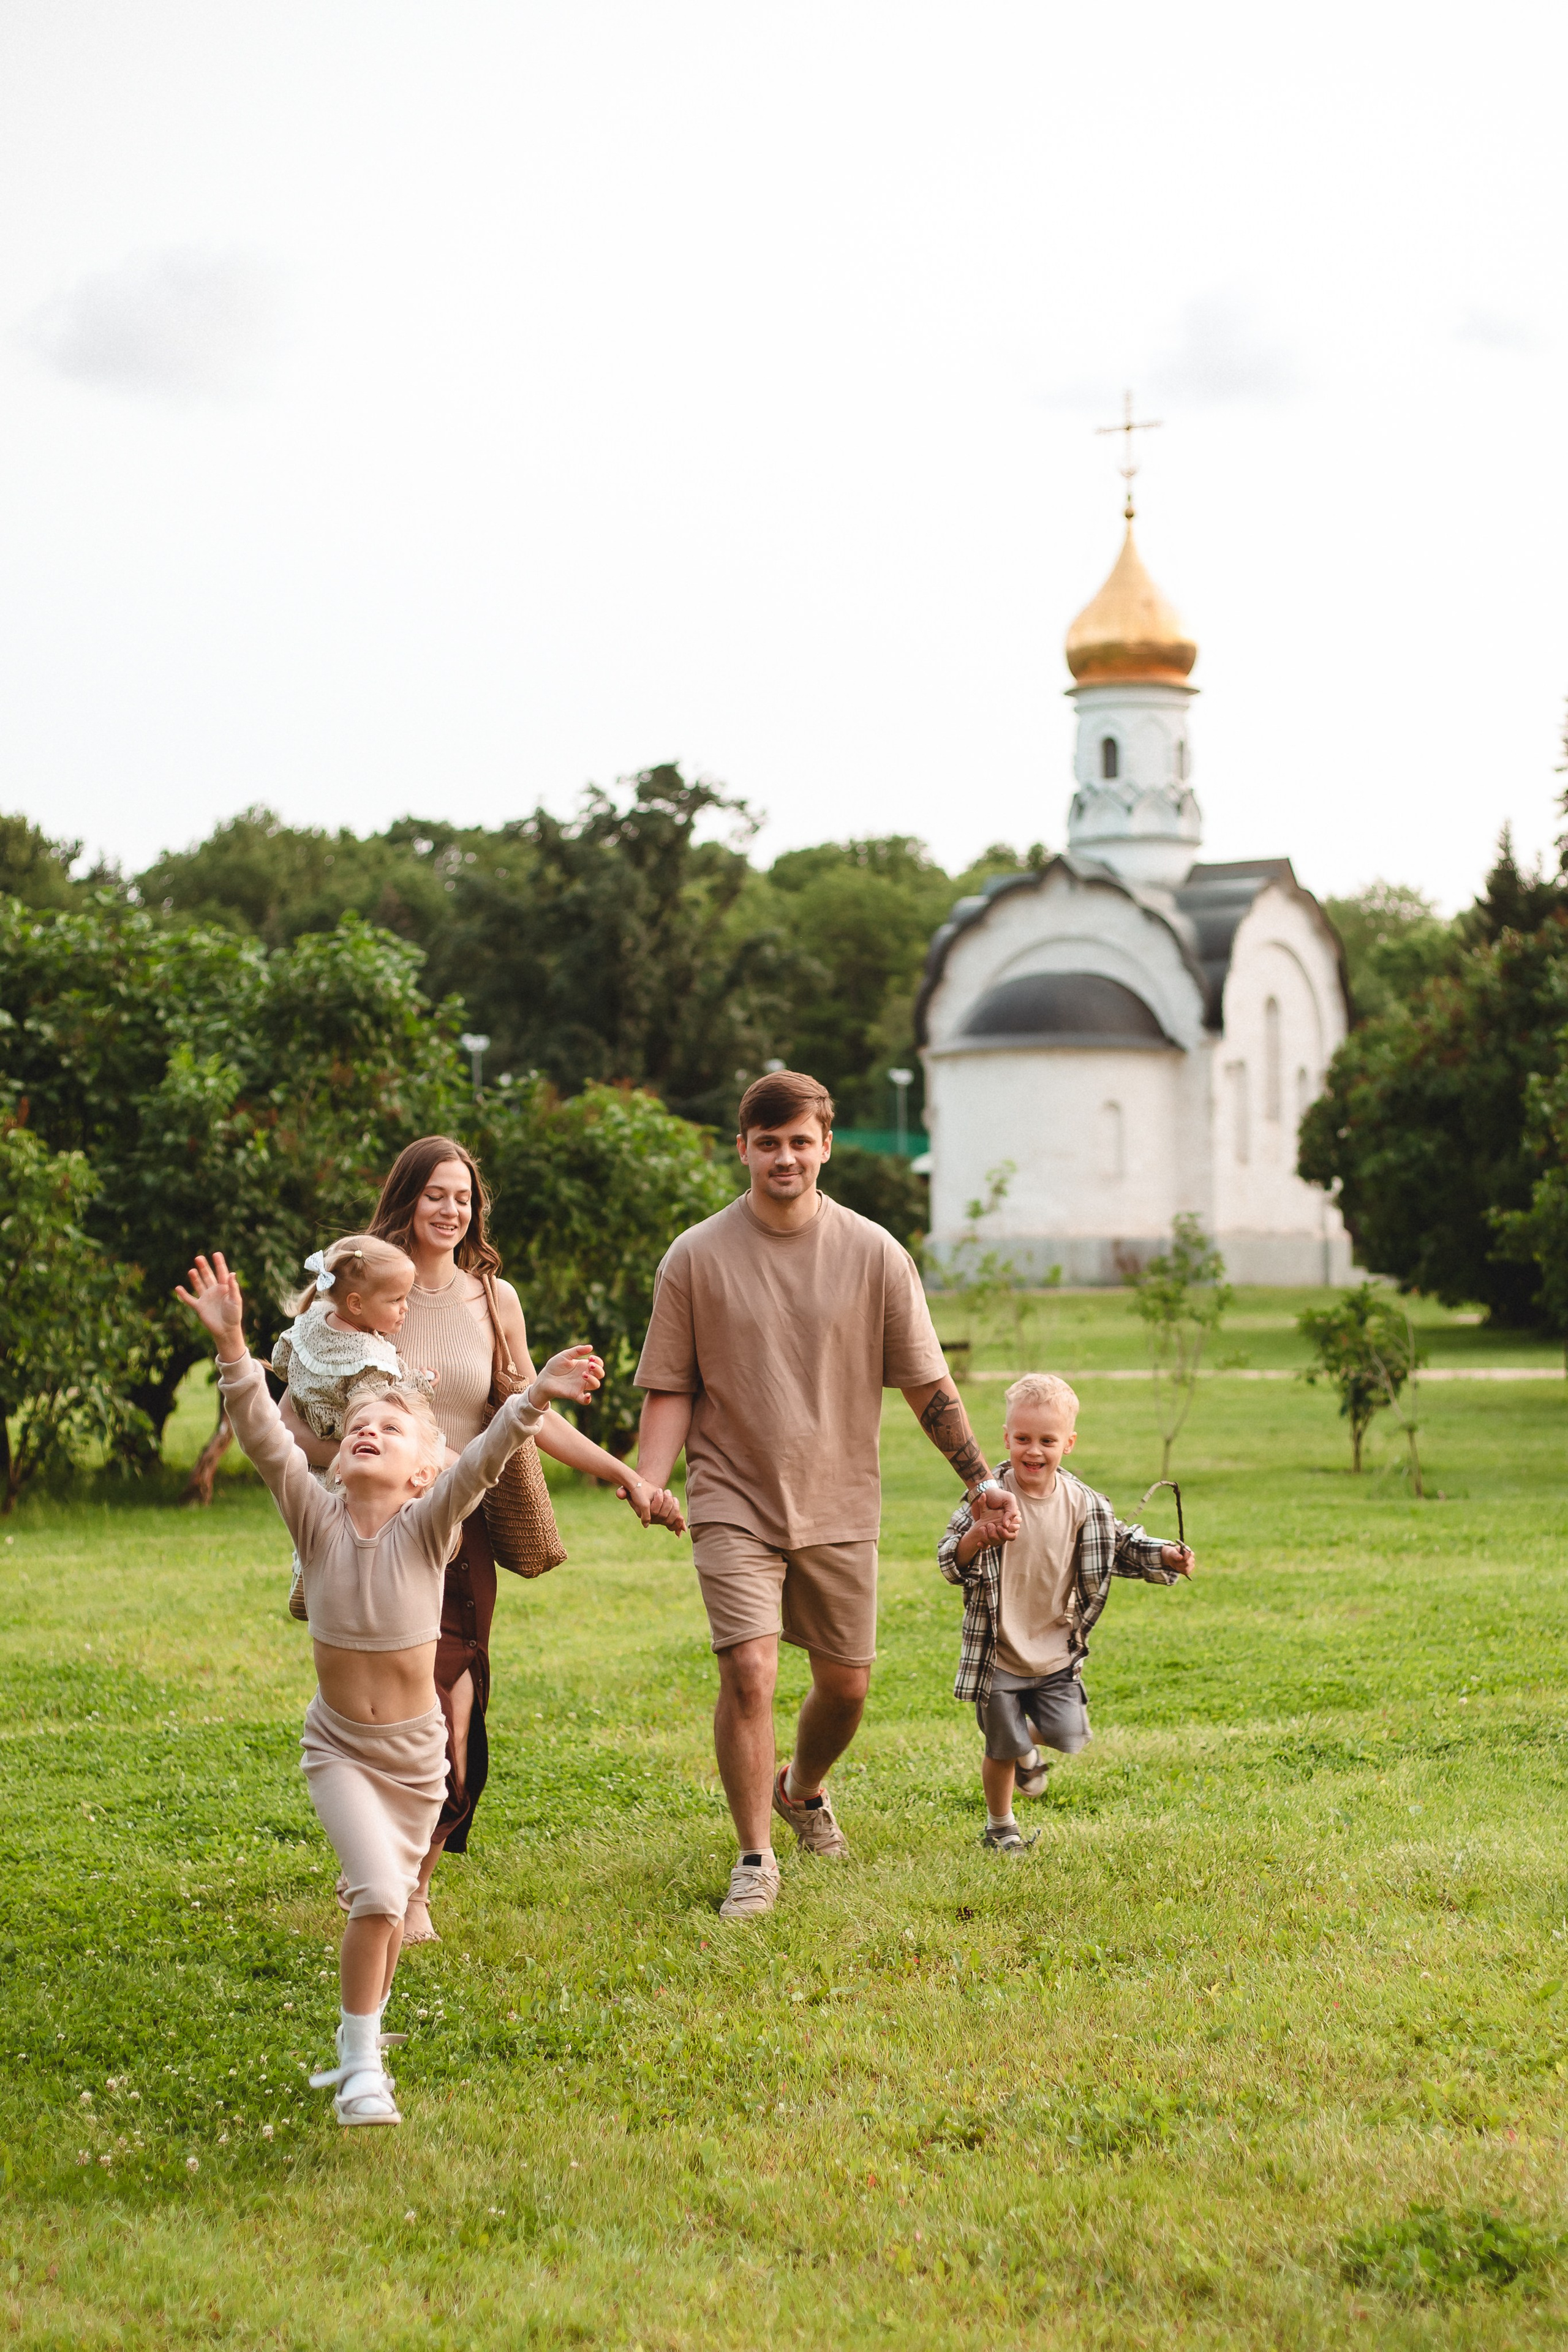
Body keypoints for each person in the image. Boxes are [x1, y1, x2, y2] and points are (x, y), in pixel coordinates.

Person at [175, 1248, 603, 2125]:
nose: (368, 1430)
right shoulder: (316, 1515)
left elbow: (483, 1459)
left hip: (416, 1762)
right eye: (359, 1427)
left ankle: (360, 2039)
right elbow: (264, 1435)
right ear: (339, 1461)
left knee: (382, 1906)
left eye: (393, 1429)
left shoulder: (427, 1528)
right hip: (338, 1747)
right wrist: (231, 1348)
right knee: (377, 1898)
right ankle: (361, 2067)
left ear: (422, 1473)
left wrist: (537, 1395)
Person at [633, 1068, 1021, 1921]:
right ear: (743, 1148)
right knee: (750, 1669)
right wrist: (649, 1477)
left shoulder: (875, 1253)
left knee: (845, 1687)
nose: (784, 1157)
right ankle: (753, 1859)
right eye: (767, 1142)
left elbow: (927, 1385)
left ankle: (801, 1788)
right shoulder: (695, 1257)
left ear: (825, 1147)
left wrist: (983, 1481)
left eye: (799, 1141)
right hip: (733, 1493)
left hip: (840, 1497)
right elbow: (670, 1387)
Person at [363, 1136, 684, 1943]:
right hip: (374, 1531)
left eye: (463, 1196)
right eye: (436, 1193)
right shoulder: (360, 1283)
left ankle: (417, 1886)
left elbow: (527, 1415)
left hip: (460, 1532)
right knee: (385, 1709)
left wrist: (630, 1477)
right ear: (406, 1197)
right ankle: (374, 1854)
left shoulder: (493, 1300)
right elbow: (311, 1410)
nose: (451, 1209)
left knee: (454, 1704)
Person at [937, 1373, 1194, 1852]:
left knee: (1071, 1734)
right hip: (1000, 1651)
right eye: (1023, 1439)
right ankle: (1001, 1827)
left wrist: (1165, 1556)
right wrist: (977, 1538)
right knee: (1000, 1747)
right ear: (1007, 1438)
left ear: (1068, 1444)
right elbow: (949, 1558)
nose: (1034, 1451)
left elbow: (1121, 1545)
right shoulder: (987, 1500)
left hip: (1056, 1651)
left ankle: (1027, 1748)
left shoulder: (1085, 1504)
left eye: (1047, 1441)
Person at [274, 1234, 436, 1621]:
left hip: (312, 1450)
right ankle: (325, 1584)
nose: (405, 1308)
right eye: (396, 1300)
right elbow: (380, 1409)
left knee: (317, 1518)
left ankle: (305, 1571)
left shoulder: (314, 1318)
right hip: (346, 1444)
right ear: (356, 1303)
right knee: (362, 1526)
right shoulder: (368, 1358)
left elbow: (282, 1359)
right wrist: (419, 1384)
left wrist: (305, 1388)